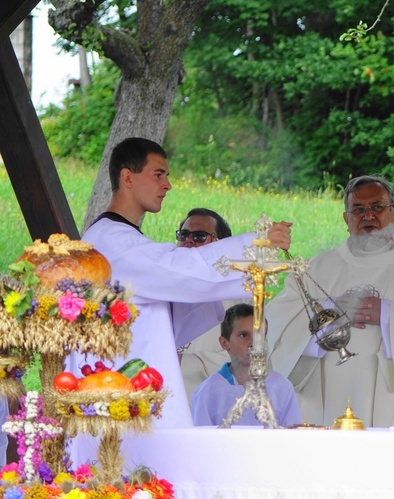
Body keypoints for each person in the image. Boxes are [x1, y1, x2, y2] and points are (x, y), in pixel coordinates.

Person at [76, 137, 292, 428]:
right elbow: (178, 267)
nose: (167, 185)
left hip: (130, 382)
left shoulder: (124, 238)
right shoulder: (110, 240)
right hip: (116, 386)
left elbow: (173, 293)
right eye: (158, 174)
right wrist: (255, 244)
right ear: (127, 177)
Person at [265, 175, 394, 428]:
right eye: (358, 210)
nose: (368, 216)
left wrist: (386, 314)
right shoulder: (316, 268)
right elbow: (277, 323)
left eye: (377, 207)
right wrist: (330, 311)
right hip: (332, 395)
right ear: (346, 219)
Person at [192, 303, 302, 427]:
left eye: (259, 335)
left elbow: (294, 438)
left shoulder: (282, 387)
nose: (253, 343)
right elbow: (201, 442)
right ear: (224, 343)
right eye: (244, 335)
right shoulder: (206, 393)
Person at [174, 208, 239, 404]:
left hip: (210, 405)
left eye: (200, 236)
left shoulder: (235, 297)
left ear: (222, 246)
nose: (189, 241)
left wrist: (184, 362)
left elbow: (245, 358)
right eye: (183, 235)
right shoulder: (161, 290)